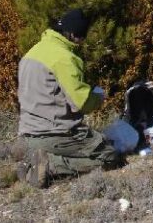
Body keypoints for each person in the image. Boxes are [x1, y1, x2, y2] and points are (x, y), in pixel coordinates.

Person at [17, 9, 120, 188]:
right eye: (82, 37)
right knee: (109, 155)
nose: (82, 41)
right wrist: (99, 97)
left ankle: (35, 159)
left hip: (28, 133)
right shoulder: (65, 58)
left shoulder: (32, 52)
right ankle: (50, 166)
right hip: (56, 133)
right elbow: (82, 103)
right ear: (72, 34)